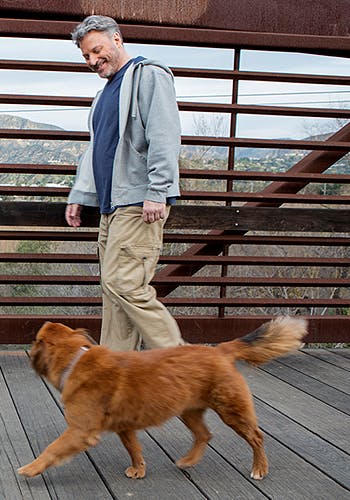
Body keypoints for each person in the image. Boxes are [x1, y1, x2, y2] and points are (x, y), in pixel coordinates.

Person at [65, 15, 185, 351]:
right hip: (110, 207)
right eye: (86, 56)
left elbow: (164, 135)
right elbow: (97, 150)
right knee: (114, 294)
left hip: (137, 204)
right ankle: (115, 375)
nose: (92, 61)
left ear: (117, 39)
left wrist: (158, 190)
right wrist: (81, 194)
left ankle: (184, 363)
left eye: (96, 50)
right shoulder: (104, 94)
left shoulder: (149, 75)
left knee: (126, 284)